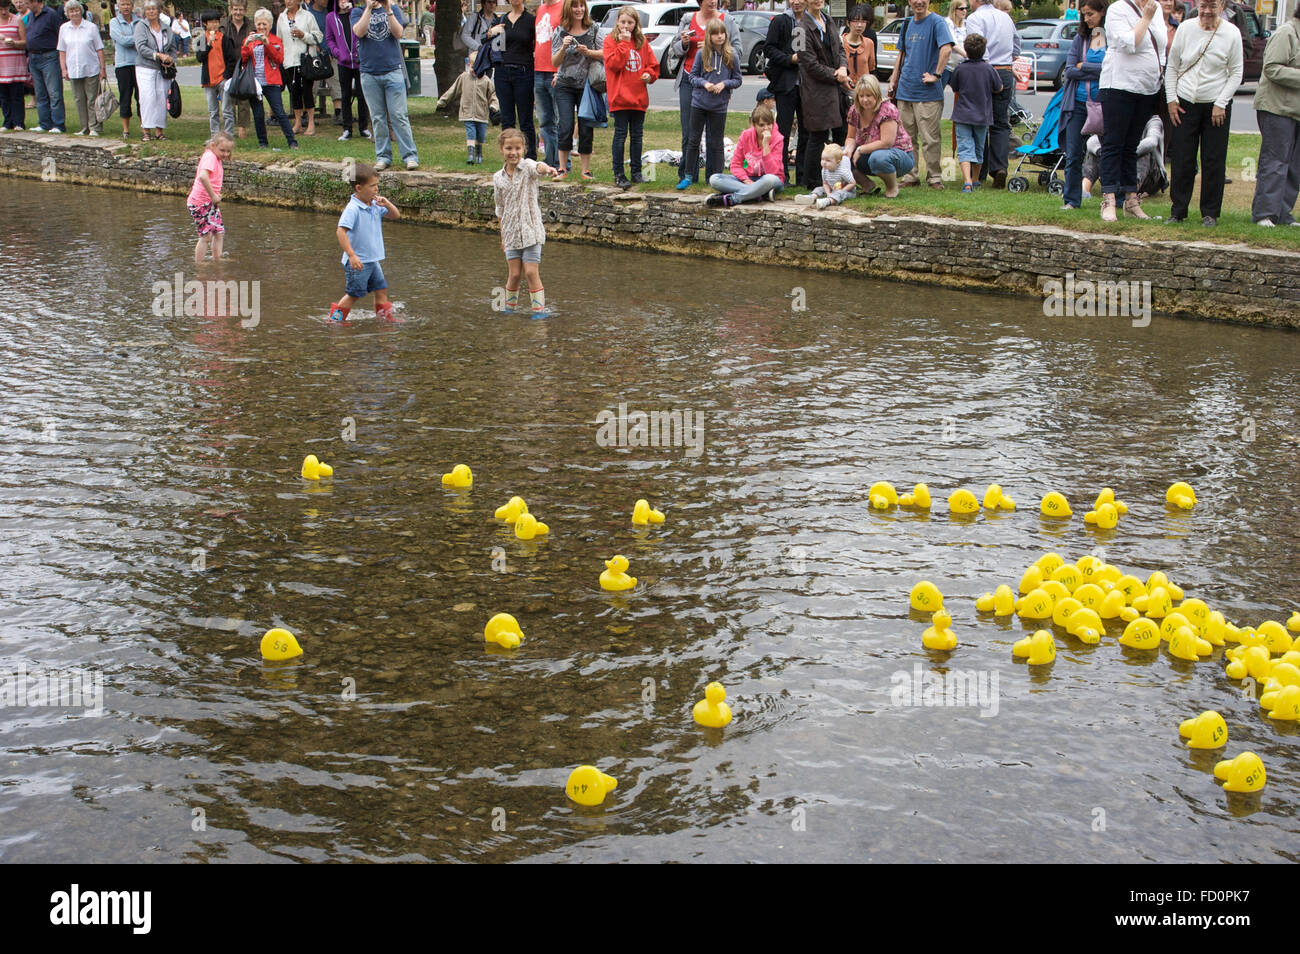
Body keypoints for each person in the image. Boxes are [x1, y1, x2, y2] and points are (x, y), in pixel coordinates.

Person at [1164, 0, 1241, 226]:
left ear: (1222, 5)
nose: (1207, 11)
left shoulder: (1231, 33)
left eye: (1212, 6)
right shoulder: (1186, 28)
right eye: (1204, 5)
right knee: (1182, 159)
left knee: (1214, 160)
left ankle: (1210, 212)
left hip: (1216, 104)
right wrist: (1171, 99)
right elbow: (1173, 66)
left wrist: (1221, 103)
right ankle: (1178, 211)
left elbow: (1236, 73)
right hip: (1185, 102)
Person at [1099, 0, 1166, 221]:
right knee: (1113, 144)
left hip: (1146, 88)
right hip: (1119, 85)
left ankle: (1131, 199)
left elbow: (1161, 45)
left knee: (1131, 146)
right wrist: (1145, 18)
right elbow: (1130, 43)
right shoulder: (1118, 9)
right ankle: (1109, 199)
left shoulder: (1155, 7)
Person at [493, 126, 558, 318]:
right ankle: (508, 309)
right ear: (501, 150)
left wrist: (548, 168)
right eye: (509, 148)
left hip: (531, 231)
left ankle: (539, 311)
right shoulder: (498, 178)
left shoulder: (528, 167)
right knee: (514, 275)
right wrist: (503, 236)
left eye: (517, 149)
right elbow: (500, 209)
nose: (513, 153)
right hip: (511, 233)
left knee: (530, 272)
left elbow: (538, 167)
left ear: (523, 149)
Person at [888, 0, 951, 188]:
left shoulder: (937, 23)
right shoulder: (906, 23)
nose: (919, 2)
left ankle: (934, 177)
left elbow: (946, 48)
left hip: (928, 94)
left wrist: (936, 75)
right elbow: (901, 54)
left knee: (930, 139)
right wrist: (893, 79)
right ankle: (910, 176)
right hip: (905, 91)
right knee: (907, 139)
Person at [330, 161, 403, 323]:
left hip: (372, 260)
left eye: (377, 185)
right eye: (372, 186)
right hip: (359, 262)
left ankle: (385, 319)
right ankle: (335, 320)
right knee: (353, 295)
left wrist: (387, 203)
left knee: (381, 289)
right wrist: (351, 255)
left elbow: (396, 215)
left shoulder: (375, 205)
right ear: (359, 188)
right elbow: (340, 231)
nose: (376, 189)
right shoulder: (353, 209)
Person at [674, 0, 738, 181]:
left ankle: (713, 176)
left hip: (718, 83)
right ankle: (688, 175)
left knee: (714, 136)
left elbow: (737, 51)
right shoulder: (688, 19)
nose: (713, 2)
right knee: (689, 133)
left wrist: (716, 49)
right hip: (690, 79)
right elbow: (675, 49)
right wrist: (685, 44)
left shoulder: (728, 21)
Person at [351, 0, 418, 170]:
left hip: (392, 70)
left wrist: (388, 10)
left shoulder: (393, 9)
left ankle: (410, 156)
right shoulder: (357, 12)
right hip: (369, 73)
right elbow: (359, 32)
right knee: (377, 117)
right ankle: (383, 156)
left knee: (399, 115)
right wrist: (368, 8)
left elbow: (398, 33)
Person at [1251, 0, 1300, 227]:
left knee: (1294, 165)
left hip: (1296, 111)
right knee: (1275, 162)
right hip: (1276, 108)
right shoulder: (1286, 32)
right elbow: (1271, 68)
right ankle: (1264, 214)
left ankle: (1282, 214)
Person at [603, 3, 658, 189]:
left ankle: (636, 172)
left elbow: (652, 65)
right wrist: (624, 43)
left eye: (630, 22)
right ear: (617, 22)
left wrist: (649, 74)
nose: (626, 26)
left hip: (638, 97)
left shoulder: (642, 42)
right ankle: (618, 173)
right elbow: (614, 65)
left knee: (637, 136)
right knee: (620, 135)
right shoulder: (610, 41)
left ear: (636, 24)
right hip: (620, 97)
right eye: (623, 22)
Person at [963, 0, 1017, 187]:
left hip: (984, 69)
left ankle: (980, 171)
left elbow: (977, 49)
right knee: (1001, 122)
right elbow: (1016, 45)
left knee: (979, 122)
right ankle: (1000, 167)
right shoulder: (1006, 17)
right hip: (1005, 69)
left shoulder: (975, 18)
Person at [797, 0, 849, 191]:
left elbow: (841, 49)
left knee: (840, 132)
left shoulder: (829, 19)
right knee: (817, 135)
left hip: (836, 87)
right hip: (816, 89)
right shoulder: (799, 29)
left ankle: (840, 177)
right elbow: (807, 63)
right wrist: (836, 74)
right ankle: (811, 181)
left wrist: (843, 67)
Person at [1059, 0, 1106, 210]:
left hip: (1102, 103)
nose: (1086, 19)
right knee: (1073, 153)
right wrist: (1088, 68)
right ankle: (1071, 199)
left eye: (1090, 14)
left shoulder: (1106, 36)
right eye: (1084, 15)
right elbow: (1069, 71)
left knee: (1111, 152)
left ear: (1102, 12)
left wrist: (1083, 66)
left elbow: (1107, 68)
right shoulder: (1080, 38)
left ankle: (1116, 198)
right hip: (1077, 103)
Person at [550, 0, 601, 181]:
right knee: (565, 126)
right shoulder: (559, 31)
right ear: (568, 9)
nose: (579, 9)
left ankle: (585, 170)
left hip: (586, 85)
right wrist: (564, 47)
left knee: (586, 127)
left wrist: (589, 52)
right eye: (575, 6)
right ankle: (562, 168)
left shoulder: (594, 28)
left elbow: (605, 53)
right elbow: (554, 62)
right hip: (564, 85)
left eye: (581, 6)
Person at [845, 73, 914, 196]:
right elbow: (850, 137)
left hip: (898, 154)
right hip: (870, 153)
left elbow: (886, 143)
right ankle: (866, 184)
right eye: (861, 96)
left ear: (876, 94)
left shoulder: (887, 110)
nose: (864, 100)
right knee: (838, 156)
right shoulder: (854, 111)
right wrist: (848, 152)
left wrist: (860, 149)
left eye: (868, 95)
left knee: (878, 158)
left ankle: (892, 187)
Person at [947, 32, 999, 191]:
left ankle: (967, 181)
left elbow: (954, 86)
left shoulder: (960, 69)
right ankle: (976, 178)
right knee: (979, 147)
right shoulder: (988, 69)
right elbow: (999, 87)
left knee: (964, 147)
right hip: (982, 115)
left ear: (966, 50)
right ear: (984, 50)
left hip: (962, 114)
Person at [239, 7, 298, 147]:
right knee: (258, 115)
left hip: (271, 82)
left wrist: (267, 44)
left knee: (279, 112)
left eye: (264, 24)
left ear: (270, 25)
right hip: (255, 83)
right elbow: (243, 60)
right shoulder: (251, 39)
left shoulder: (275, 40)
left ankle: (292, 141)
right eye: (259, 24)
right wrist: (246, 45)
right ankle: (262, 143)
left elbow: (278, 59)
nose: (261, 27)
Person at [706, 101, 784, 205]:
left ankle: (733, 199)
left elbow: (773, 171)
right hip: (748, 178)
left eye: (769, 124)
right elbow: (735, 164)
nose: (766, 128)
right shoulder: (745, 136)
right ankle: (759, 194)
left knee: (769, 179)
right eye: (761, 125)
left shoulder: (778, 139)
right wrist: (746, 180)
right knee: (715, 179)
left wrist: (766, 145)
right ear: (754, 125)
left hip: (770, 179)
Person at [763, 0, 804, 184]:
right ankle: (782, 174)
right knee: (783, 131)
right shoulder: (781, 21)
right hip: (786, 84)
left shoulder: (815, 21)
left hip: (808, 85)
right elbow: (769, 49)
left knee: (807, 131)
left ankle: (803, 175)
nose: (797, 2)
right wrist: (789, 59)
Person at [488, 0, 535, 159]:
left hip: (523, 72)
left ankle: (530, 159)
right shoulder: (501, 20)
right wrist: (491, 32)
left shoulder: (530, 19)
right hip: (502, 72)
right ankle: (510, 157)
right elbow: (492, 45)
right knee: (507, 119)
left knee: (525, 119)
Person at [436, 55, 497, 162]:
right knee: (471, 132)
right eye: (473, 67)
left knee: (481, 135)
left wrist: (494, 106)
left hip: (481, 113)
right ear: (469, 65)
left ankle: (479, 153)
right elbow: (453, 90)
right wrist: (443, 101)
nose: (474, 70)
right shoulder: (464, 77)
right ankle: (471, 154)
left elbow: (492, 95)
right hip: (467, 112)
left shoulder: (486, 80)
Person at [133, 0, 177, 140]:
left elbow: (172, 48)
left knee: (161, 98)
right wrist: (157, 55)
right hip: (145, 67)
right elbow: (141, 47)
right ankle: (146, 131)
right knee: (147, 98)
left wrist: (171, 59)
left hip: (162, 69)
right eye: (148, 9)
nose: (151, 11)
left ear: (159, 11)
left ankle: (159, 132)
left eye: (153, 9)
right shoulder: (141, 26)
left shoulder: (166, 28)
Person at [59, 1, 104, 135]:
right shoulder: (64, 28)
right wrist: (63, 69)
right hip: (73, 69)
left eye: (76, 10)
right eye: (71, 11)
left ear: (81, 11)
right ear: (67, 13)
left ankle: (94, 127)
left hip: (91, 68)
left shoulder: (91, 27)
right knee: (79, 99)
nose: (74, 13)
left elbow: (99, 48)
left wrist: (103, 68)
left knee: (92, 99)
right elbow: (62, 50)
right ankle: (84, 127)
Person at [277, 0, 321, 135]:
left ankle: (311, 122)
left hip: (305, 60)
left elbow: (318, 37)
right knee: (294, 92)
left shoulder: (308, 16)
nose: (288, 1)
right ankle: (297, 122)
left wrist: (304, 35)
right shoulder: (281, 17)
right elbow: (279, 40)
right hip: (289, 60)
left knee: (307, 90)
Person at [189, 131, 233, 263]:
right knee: (206, 236)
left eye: (228, 151)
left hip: (209, 203)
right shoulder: (210, 157)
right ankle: (199, 264)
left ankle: (217, 259)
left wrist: (213, 197)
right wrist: (213, 195)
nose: (225, 154)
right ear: (213, 146)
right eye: (222, 150)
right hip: (200, 203)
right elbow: (202, 176)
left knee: (219, 232)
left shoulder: (215, 157)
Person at [327, 0, 368, 139]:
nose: (343, 2)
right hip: (343, 63)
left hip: (359, 61)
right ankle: (347, 129)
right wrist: (337, 52)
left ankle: (364, 128)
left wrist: (353, 11)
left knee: (362, 95)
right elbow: (330, 38)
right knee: (345, 95)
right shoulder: (331, 17)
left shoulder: (357, 14)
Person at [25, 0, 65, 132]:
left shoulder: (51, 14)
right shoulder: (31, 16)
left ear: (37, 2)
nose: (26, 5)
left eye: (28, 3)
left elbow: (60, 34)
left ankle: (58, 124)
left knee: (54, 92)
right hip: (33, 57)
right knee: (40, 92)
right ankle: (44, 123)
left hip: (49, 56)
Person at [195, 9, 236, 135]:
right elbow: (200, 58)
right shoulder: (201, 39)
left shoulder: (225, 39)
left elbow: (231, 60)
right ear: (205, 24)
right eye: (211, 22)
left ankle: (229, 135)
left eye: (216, 22)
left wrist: (226, 76)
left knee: (227, 110)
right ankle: (215, 136)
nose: (214, 25)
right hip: (209, 80)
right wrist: (208, 43)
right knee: (213, 111)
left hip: (222, 79)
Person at [532, 0, 560, 166]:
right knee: (544, 121)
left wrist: (560, 70)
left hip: (555, 71)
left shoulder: (564, 7)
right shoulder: (541, 9)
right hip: (538, 70)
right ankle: (550, 160)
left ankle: (562, 161)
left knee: (560, 120)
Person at [108, 0, 141, 139]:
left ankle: (144, 128)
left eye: (128, 4)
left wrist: (134, 39)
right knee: (125, 97)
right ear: (118, 6)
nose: (126, 7)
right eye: (123, 4)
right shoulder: (114, 22)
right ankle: (125, 130)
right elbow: (122, 41)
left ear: (132, 6)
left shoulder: (140, 22)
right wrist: (137, 39)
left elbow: (144, 39)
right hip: (123, 65)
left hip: (139, 64)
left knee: (141, 97)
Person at [222, 1, 253, 136]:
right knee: (227, 96)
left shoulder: (251, 25)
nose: (238, 12)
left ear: (245, 10)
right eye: (235, 9)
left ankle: (242, 127)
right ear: (230, 9)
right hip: (227, 64)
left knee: (244, 96)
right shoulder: (223, 25)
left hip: (245, 63)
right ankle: (229, 127)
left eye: (241, 10)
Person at [793, 140, 856, 206]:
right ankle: (811, 197)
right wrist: (828, 193)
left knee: (840, 194)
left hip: (847, 191)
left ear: (838, 162)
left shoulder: (843, 171)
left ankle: (828, 201)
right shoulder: (825, 170)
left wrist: (842, 190)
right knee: (819, 189)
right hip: (832, 188)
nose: (824, 162)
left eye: (828, 160)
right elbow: (825, 183)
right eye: (822, 159)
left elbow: (852, 183)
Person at [0, 0, 27, 130]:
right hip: (1, 65)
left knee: (17, 95)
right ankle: (7, 122)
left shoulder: (18, 20)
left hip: (15, 64)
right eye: (1, 9)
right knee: (4, 96)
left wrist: (15, 44)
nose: (4, 12)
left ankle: (18, 122)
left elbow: (25, 42)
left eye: (5, 8)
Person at [842, 4, 875, 86]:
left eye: (863, 21)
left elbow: (872, 69)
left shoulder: (869, 43)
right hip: (844, 90)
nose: (859, 25)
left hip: (864, 91)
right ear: (848, 23)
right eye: (856, 21)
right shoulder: (840, 43)